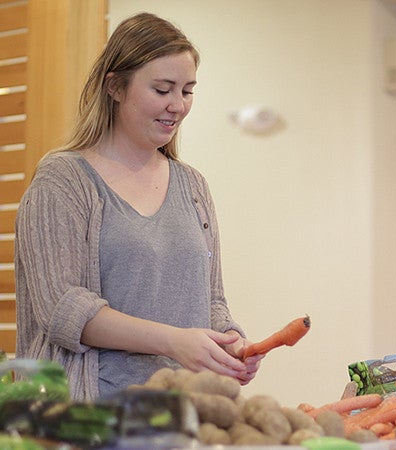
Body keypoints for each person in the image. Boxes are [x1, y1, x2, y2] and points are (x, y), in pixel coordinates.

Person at [14, 12, 263, 401]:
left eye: (187, 90)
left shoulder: (192, 186)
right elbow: (63, 310)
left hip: (184, 414)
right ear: (115, 86)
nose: (177, 106)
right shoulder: (63, 181)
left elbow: (211, 300)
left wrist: (228, 340)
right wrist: (174, 341)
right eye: (162, 90)